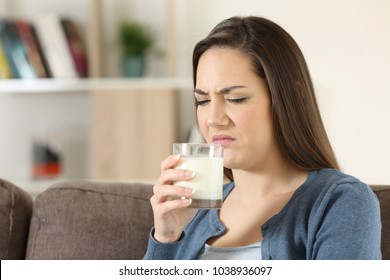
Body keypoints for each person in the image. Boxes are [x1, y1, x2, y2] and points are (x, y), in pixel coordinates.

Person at [143, 16, 381, 260]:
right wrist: (166, 239)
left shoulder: (341, 202)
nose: (213, 119)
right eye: (203, 101)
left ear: (291, 97)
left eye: (235, 99)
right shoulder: (193, 214)